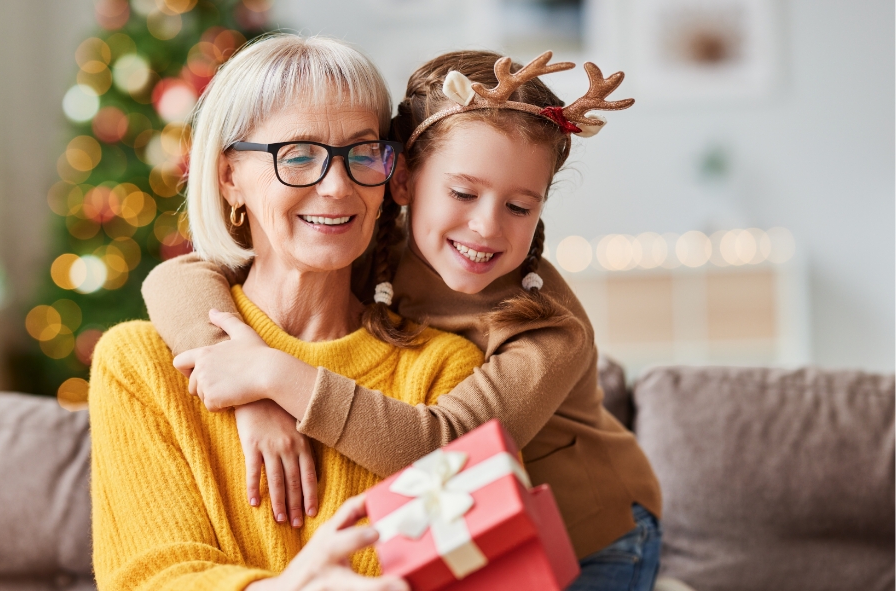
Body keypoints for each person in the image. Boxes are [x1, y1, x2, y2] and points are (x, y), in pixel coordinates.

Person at [144, 49, 664, 591]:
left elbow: (442, 449)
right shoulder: (364, 243)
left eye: (519, 207)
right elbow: (177, 277)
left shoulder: (549, 330)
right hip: (471, 519)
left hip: (592, 535)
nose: (486, 226)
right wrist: (243, 388)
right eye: (462, 193)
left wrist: (273, 375)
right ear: (402, 183)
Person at [88, 34, 486, 591]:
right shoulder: (140, 366)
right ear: (229, 178)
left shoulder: (443, 373)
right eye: (298, 155)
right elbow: (150, 578)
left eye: (362, 153)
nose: (337, 186)